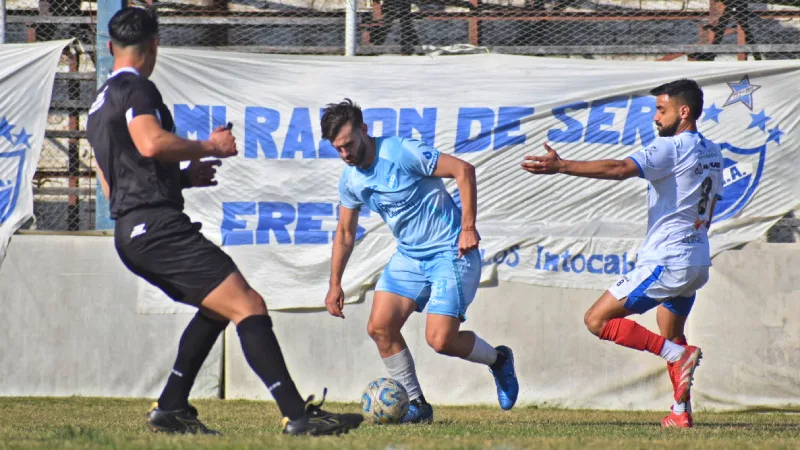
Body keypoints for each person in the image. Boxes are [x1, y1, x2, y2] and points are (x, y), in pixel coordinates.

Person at [85, 6, 363, 436]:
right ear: (154, 45)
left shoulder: (98, 105)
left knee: (216, 308)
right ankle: (298, 416)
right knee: (248, 304)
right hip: (157, 227)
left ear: (110, 47)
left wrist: (181, 179)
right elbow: (150, 142)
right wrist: (207, 145)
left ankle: (172, 407)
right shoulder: (137, 91)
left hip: (131, 232)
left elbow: (114, 181)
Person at [520, 79, 724, 428]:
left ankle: (678, 356)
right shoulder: (713, 151)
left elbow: (619, 169)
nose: (656, 118)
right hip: (697, 261)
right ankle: (680, 413)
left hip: (667, 261)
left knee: (597, 321)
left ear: (684, 112)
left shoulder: (673, 148)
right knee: (670, 332)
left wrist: (562, 166)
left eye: (662, 110)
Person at [321, 98, 519, 423]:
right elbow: (344, 232)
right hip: (409, 258)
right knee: (380, 328)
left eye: (349, 145)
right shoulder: (351, 179)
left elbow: (463, 170)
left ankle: (498, 360)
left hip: (451, 254)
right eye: (338, 149)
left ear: (364, 131)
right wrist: (334, 285)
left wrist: (468, 228)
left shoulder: (400, 152)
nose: (346, 154)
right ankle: (417, 405)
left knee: (440, 340)